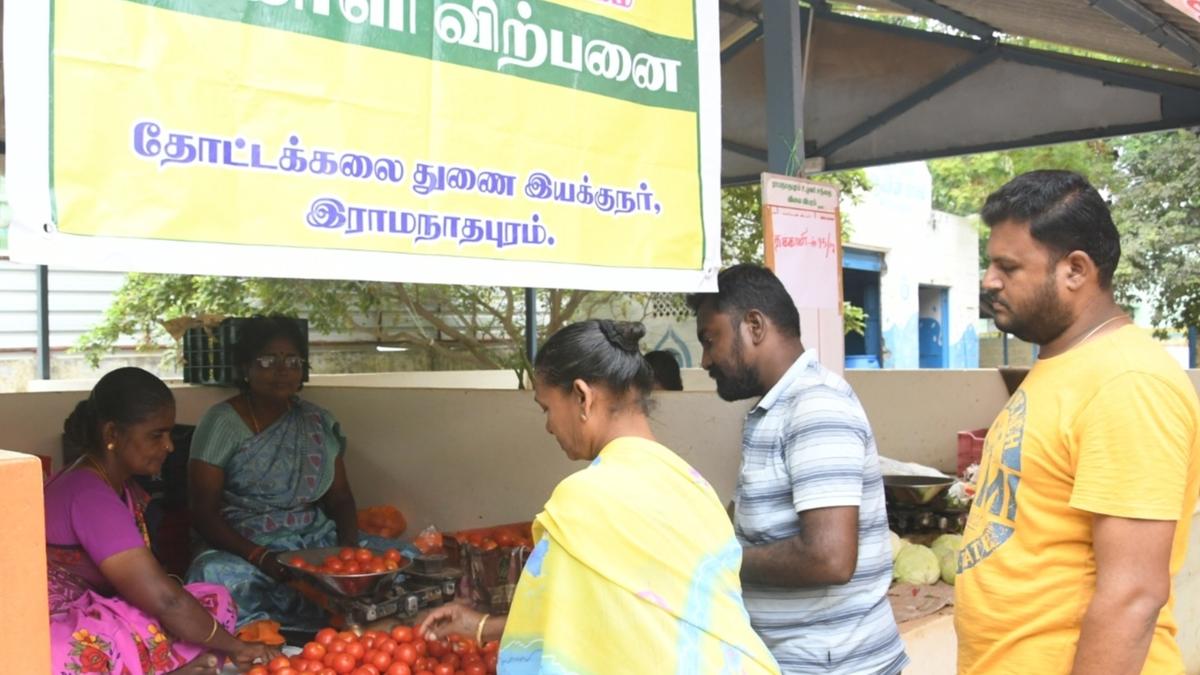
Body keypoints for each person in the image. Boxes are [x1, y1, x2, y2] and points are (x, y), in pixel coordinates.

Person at [417, 319, 779, 674]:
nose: (548, 426)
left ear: (581, 396)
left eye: (546, 408)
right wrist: (481, 627)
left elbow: (565, 631)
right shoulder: (695, 486)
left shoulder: (583, 499)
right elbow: (612, 608)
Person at [955, 170, 1200, 674]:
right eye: (988, 263)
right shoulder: (1063, 364)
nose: (989, 281)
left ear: (1075, 270)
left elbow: (1133, 594)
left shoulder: (1128, 382)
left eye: (1008, 266)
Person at [686, 264, 908, 674]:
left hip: (834, 665)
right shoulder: (775, 409)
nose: (704, 359)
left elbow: (829, 558)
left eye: (709, 339)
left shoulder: (815, 407)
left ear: (754, 325)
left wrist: (714, 560)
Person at [186, 316, 411, 631]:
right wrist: (259, 555)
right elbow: (203, 511)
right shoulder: (221, 422)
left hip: (314, 543)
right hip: (247, 546)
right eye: (267, 360)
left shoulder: (315, 421)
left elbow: (341, 497)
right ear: (244, 367)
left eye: (292, 360)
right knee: (215, 576)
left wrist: (347, 553)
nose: (282, 370)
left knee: (404, 560)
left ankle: (339, 617)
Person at [47, 367, 277, 675]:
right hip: (58, 621)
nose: (169, 446)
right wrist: (237, 647)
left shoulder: (118, 485)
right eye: (156, 435)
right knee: (90, 646)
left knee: (213, 599)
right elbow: (164, 600)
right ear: (112, 434)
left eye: (169, 433)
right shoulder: (88, 493)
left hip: (103, 608)